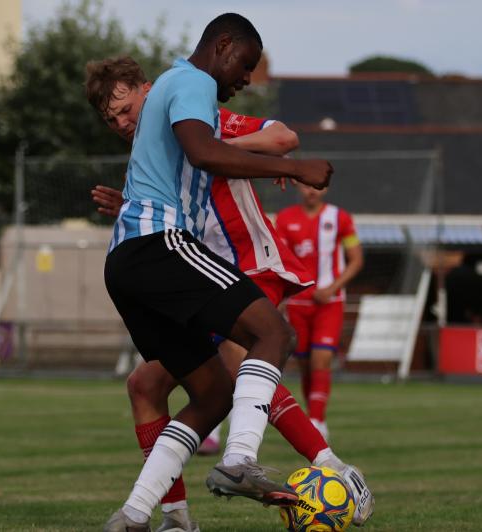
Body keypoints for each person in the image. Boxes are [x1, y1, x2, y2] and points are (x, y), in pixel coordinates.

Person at [86, 57, 374, 531]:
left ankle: (327, 466)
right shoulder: (152, 150)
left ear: (148, 90)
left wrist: (223, 149)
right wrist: (128, 206)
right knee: (146, 385)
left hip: (246, 263)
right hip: (192, 273)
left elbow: (282, 137)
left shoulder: (191, 117)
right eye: (111, 118)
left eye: (125, 108)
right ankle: (173, 516)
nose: (122, 122)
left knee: (244, 361)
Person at [276, 182, 364, 442]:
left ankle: (317, 420)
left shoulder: (340, 218)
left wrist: (332, 287)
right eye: (305, 186)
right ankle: (313, 416)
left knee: (321, 360)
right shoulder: (284, 219)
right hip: (298, 303)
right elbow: (279, 259)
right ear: (297, 188)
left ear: (325, 189)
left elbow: (356, 259)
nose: (310, 191)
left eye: (316, 186)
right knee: (305, 365)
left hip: (330, 302)